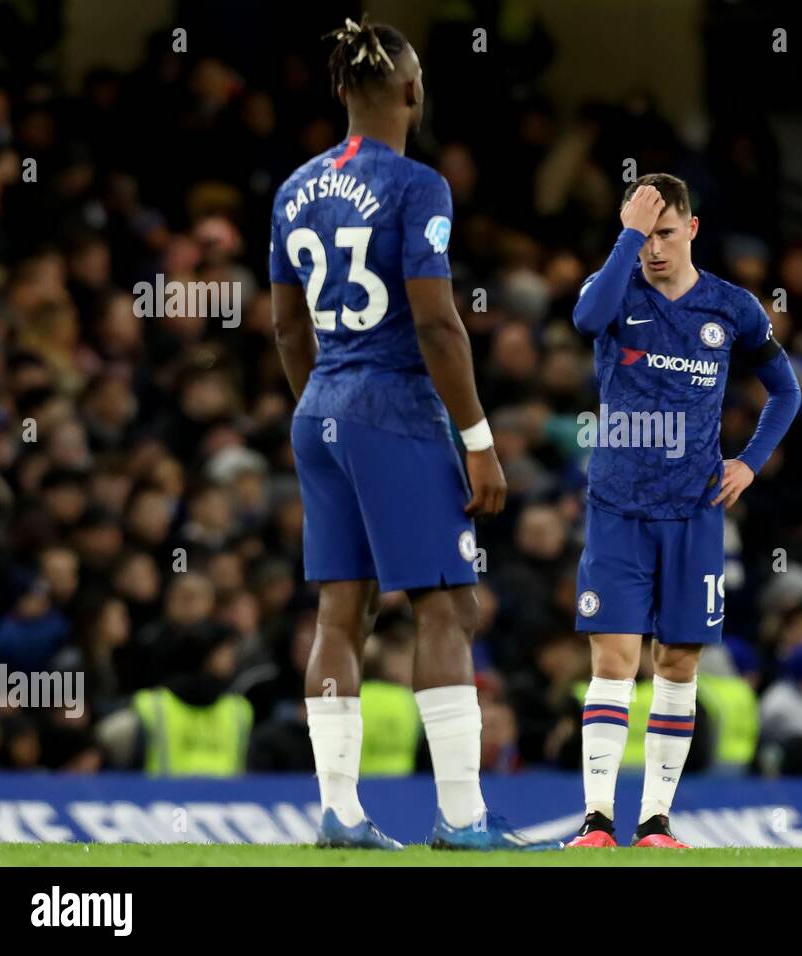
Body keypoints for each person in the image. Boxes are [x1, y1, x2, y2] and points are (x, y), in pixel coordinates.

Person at [269, 17, 544, 851]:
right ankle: (462, 817)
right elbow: (438, 323)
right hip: (392, 405)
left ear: (339, 91)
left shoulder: (292, 189)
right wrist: (479, 437)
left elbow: (285, 328)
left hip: (318, 405)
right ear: (413, 90)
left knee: (339, 610)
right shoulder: (419, 185)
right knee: (446, 606)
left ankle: (338, 813)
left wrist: (323, 403)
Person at [566, 173, 801, 847]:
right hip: (617, 506)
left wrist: (749, 463)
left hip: (695, 512)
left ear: (692, 229)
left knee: (677, 664)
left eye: (665, 233)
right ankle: (597, 821)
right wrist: (629, 235)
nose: (654, 249)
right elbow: (584, 320)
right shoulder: (613, 293)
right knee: (614, 661)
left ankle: (658, 822)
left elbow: (785, 393)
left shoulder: (732, 309)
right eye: (642, 235)